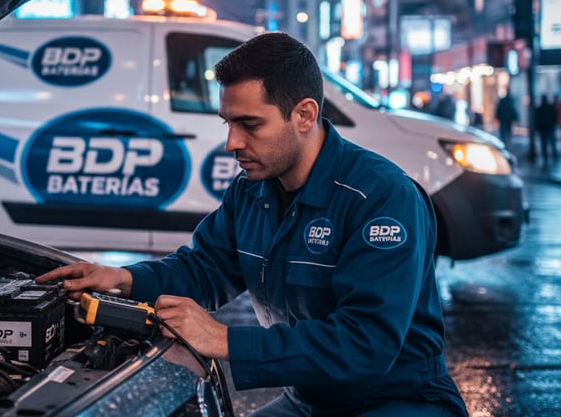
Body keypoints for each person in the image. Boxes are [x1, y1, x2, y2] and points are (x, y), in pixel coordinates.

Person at [37, 32, 468, 417]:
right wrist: (122, 279)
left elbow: (365, 342)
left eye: (250, 125)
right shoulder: (251, 192)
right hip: (309, 401)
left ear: (304, 115)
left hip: (400, 401)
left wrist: (224, 340)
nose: (232, 143)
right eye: (229, 123)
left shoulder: (381, 197)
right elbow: (204, 269)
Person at [535, 94, 558, 164]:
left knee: (545, 144)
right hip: (549, 128)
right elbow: (555, 115)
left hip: (544, 129)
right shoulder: (550, 107)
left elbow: (537, 119)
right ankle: (554, 156)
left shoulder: (540, 108)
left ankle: (547, 157)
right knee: (551, 143)